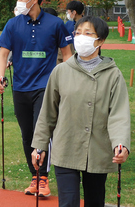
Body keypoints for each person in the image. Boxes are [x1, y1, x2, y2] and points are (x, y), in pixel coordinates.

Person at [31, 16, 130, 207]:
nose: (80, 37)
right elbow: (47, 113)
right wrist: (40, 145)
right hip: (66, 147)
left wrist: (121, 144)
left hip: (97, 150)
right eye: (77, 33)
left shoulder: (113, 74)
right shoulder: (61, 71)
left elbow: (118, 114)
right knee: (68, 203)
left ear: (100, 40)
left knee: (95, 201)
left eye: (88, 33)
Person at [0, 0, 73, 197]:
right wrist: (0, 77)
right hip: (20, 87)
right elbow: (2, 55)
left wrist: (65, 80)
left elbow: (67, 55)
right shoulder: (13, 24)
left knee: (42, 132)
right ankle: (34, 175)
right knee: (27, 134)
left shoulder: (55, 24)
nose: (18, 3)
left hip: (45, 87)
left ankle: (43, 179)